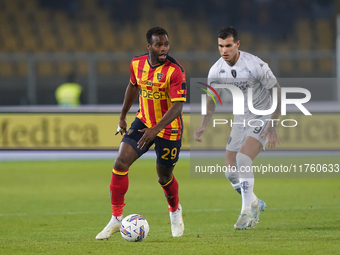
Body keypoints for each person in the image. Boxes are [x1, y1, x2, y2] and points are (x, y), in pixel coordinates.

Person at [96, 27, 186, 239]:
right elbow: (133, 87)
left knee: (164, 177)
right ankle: (116, 219)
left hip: (168, 129)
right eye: (158, 45)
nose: (163, 49)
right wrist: (122, 115)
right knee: (120, 162)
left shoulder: (175, 70)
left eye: (166, 44)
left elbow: (178, 106)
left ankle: (175, 210)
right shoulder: (137, 64)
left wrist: (156, 130)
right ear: (149, 46)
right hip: (144, 121)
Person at [194, 26, 281, 230]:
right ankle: (255, 203)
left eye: (229, 46)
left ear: (237, 44)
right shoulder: (216, 70)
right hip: (240, 118)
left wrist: (273, 125)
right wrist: (203, 124)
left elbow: (276, 91)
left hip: (262, 115)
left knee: (243, 159)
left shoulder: (255, 64)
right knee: (230, 172)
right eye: (220, 46)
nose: (224, 50)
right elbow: (212, 99)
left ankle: (246, 213)